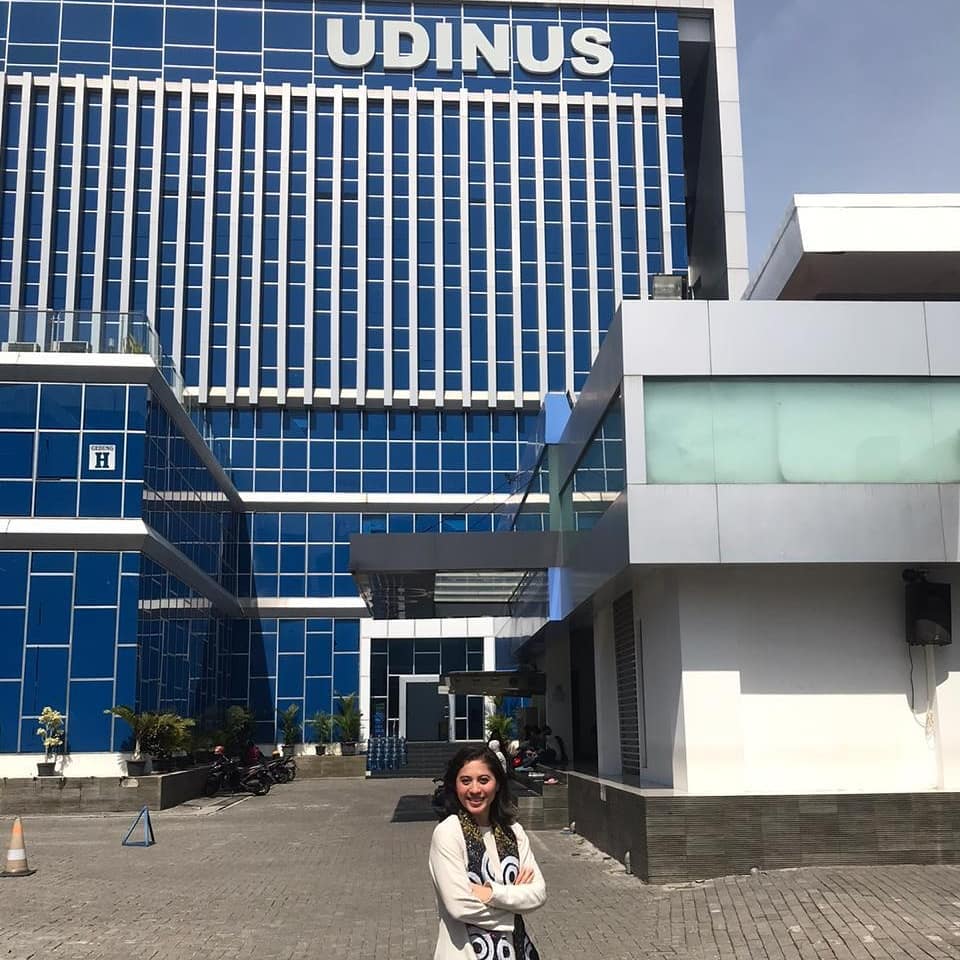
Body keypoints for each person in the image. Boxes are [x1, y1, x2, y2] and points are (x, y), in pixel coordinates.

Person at [428, 744, 546, 959]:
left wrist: (491, 893)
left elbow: (538, 893)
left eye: (484, 780)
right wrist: (514, 906)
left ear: (498, 784)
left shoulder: (513, 832)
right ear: (455, 785)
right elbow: (459, 905)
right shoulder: (448, 833)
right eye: (466, 781)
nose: (474, 789)